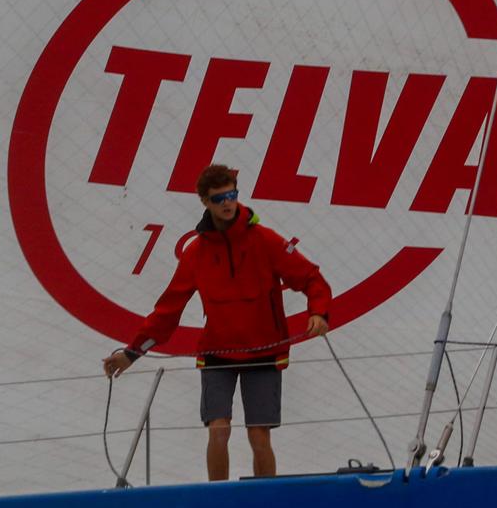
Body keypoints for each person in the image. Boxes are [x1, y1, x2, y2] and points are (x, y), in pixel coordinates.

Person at [103, 164, 330, 480]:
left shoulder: (266, 240)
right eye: (219, 197)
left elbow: (311, 278)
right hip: (217, 353)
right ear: (205, 203)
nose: (227, 202)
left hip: (264, 352)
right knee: (218, 431)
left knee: (258, 434)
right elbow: (168, 311)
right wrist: (132, 353)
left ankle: (265, 502)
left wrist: (318, 311)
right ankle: (217, 499)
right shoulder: (196, 253)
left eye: (232, 195)